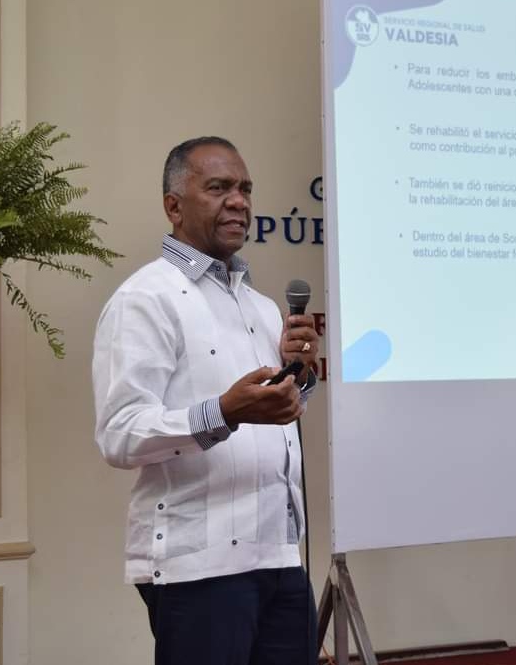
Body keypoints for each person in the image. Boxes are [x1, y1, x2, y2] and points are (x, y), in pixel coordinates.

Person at [92, 136, 320, 665]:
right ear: (174, 206)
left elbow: (273, 410)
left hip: (280, 553)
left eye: (245, 189)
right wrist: (223, 412)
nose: (238, 201)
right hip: (198, 565)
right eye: (219, 188)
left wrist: (300, 377)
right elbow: (120, 433)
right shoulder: (144, 299)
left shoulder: (261, 306)